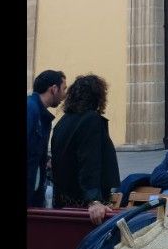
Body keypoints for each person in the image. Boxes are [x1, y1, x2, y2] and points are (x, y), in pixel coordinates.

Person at [51, 74, 121, 224]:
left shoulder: (62, 122)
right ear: (97, 96)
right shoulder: (91, 120)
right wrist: (94, 200)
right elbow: (89, 161)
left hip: (64, 202)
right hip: (84, 206)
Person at [27, 70, 66, 207]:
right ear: (54, 89)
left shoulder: (40, 115)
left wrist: (47, 159)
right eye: (63, 89)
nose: (64, 95)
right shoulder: (31, 110)